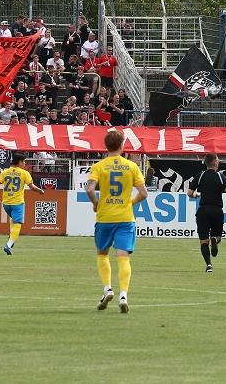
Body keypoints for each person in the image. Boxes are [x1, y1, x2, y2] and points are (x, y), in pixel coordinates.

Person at [85, 128, 147, 313]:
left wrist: (96, 203)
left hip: (105, 217)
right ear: (122, 146)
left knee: (102, 254)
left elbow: (89, 190)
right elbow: (144, 193)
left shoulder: (99, 166)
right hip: (125, 218)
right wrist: (130, 202)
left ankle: (107, 289)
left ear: (106, 146)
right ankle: (123, 295)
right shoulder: (132, 166)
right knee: (123, 258)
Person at [187, 155, 226, 273]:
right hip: (217, 210)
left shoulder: (200, 175)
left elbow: (189, 193)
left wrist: (197, 195)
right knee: (217, 235)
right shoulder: (220, 176)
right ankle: (214, 239)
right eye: (217, 160)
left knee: (203, 241)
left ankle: (208, 265)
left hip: (203, 211)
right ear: (215, 163)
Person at [0, 155, 46, 255]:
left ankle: (11, 239)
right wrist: (40, 190)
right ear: (19, 162)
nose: (25, 164)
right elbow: (32, 187)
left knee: (13, 220)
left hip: (6, 204)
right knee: (18, 224)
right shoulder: (24, 173)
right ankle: (8, 245)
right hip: (17, 203)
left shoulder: (5, 172)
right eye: (24, 162)